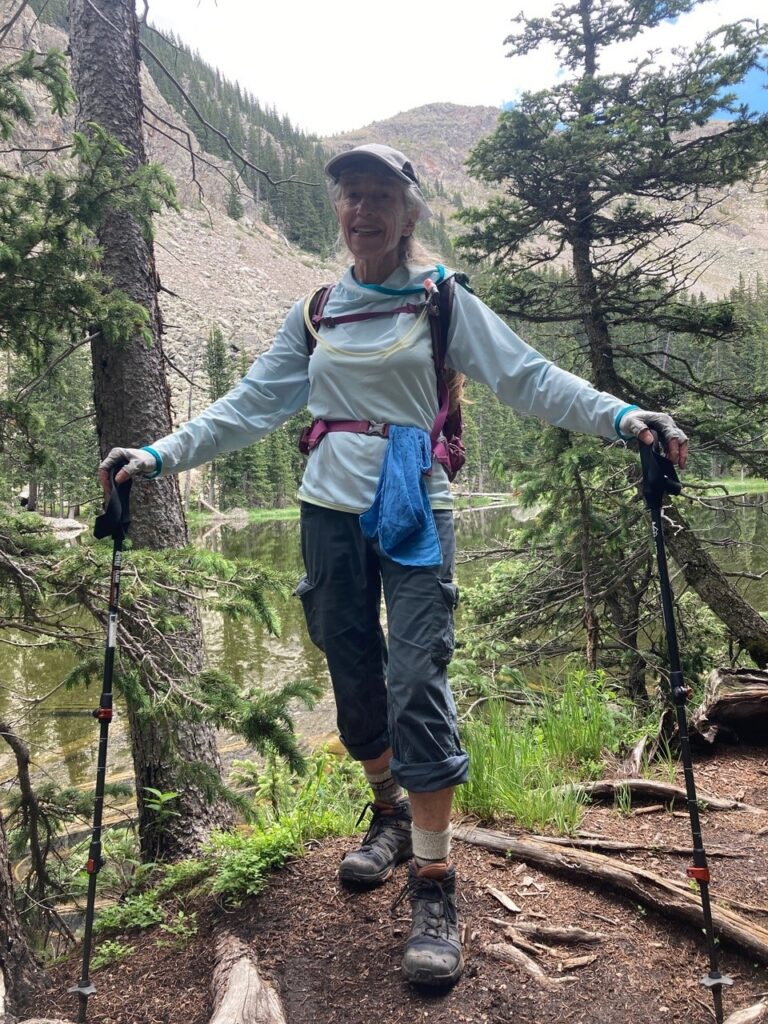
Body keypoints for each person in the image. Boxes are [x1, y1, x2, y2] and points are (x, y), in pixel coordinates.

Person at [100, 142, 688, 989]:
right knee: (353, 675)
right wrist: (157, 454)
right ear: (336, 211)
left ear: (410, 213)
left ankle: (435, 883)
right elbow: (249, 406)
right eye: (350, 196)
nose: (364, 210)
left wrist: (624, 416)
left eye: (381, 195)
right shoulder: (316, 310)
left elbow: (529, 377)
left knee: (418, 679)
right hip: (327, 514)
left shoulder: (441, 299)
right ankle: (384, 812)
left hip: (417, 508)